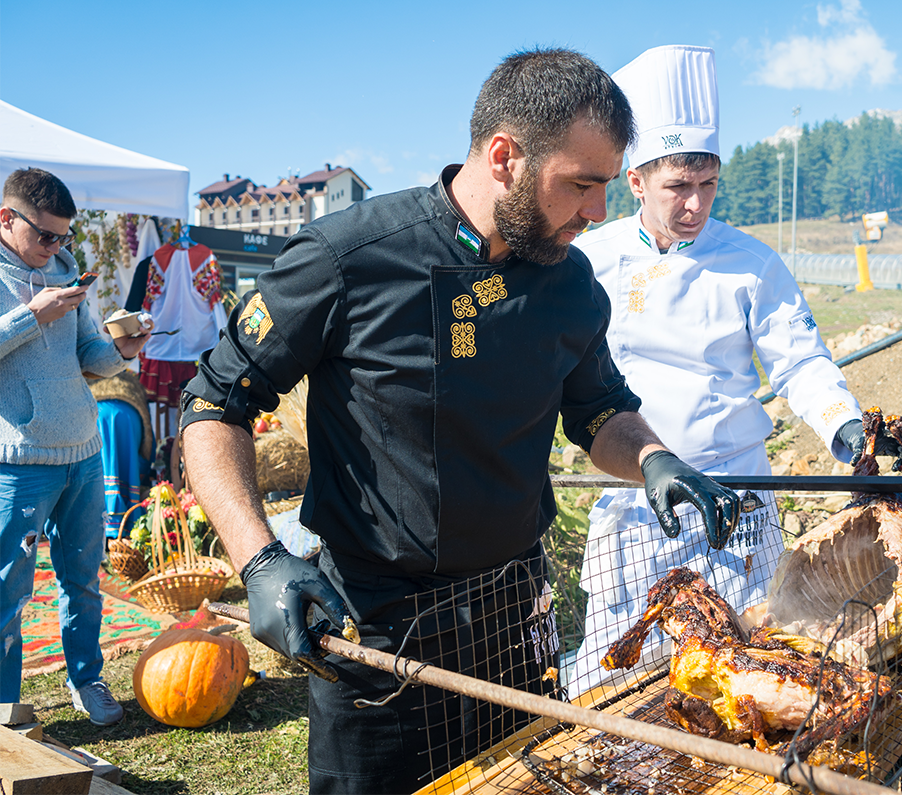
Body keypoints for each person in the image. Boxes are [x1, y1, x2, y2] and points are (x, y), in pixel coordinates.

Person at [179, 48, 740, 795]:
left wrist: (655, 460)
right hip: (380, 631)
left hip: (517, 617)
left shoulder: (569, 281)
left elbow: (599, 409)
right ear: (504, 156)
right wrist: (258, 559)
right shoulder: (348, 258)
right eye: (581, 185)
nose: (598, 213)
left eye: (605, 187)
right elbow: (215, 405)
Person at [567, 46, 902, 698]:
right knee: (612, 676)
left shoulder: (752, 263)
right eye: (678, 186)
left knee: (740, 670)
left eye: (708, 185)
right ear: (637, 181)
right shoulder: (588, 260)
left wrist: (849, 431)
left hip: (735, 496)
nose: (695, 205)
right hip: (636, 493)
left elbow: (800, 360)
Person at [0, 168, 153, 724]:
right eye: (45, 236)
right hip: (19, 461)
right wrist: (32, 315)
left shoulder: (64, 271)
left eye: (64, 236)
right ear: (5, 219)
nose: (57, 247)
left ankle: (86, 681)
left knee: (84, 581)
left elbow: (89, 355)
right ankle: (5, 705)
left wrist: (125, 350)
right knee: (8, 590)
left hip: (83, 450)